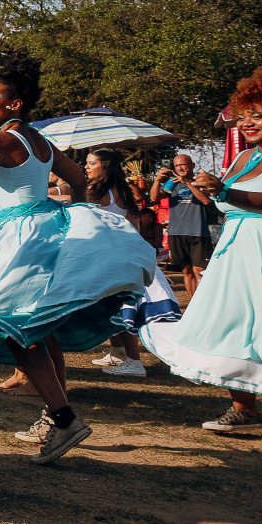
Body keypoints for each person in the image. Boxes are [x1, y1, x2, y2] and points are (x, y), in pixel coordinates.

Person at [0, 60, 158, 464]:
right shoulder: (37, 138)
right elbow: (78, 178)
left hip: (23, 236)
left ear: (15, 104)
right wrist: (73, 221)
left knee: (10, 325)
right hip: (42, 227)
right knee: (39, 327)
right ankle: (53, 413)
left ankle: (64, 420)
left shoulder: (5, 137)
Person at [144, 70, 262, 444]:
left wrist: (228, 193)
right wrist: (210, 190)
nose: (247, 122)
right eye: (243, 115)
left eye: (259, 114)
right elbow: (222, 200)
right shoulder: (246, 155)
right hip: (241, 254)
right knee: (231, 329)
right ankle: (244, 410)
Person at [84, 147, 180, 378]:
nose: (86, 167)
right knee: (107, 305)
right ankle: (118, 351)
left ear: (105, 166)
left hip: (109, 256)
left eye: (91, 163)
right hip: (124, 252)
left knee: (119, 308)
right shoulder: (124, 191)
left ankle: (134, 362)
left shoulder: (93, 191)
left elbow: (72, 203)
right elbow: (134, 226)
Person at [150, 154, 216, 297]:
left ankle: (203, 302)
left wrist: (187, 183)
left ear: (192, 165)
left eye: (183, 165)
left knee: (200, 270)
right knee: (186, 270)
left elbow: (206, 201)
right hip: (177, 232)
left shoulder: (200, 181)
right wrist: (157, 180)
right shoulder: (171, 183)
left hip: (198, 232)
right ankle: (193, 306)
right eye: (177, 166)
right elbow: (154, 198)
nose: (180, 168)